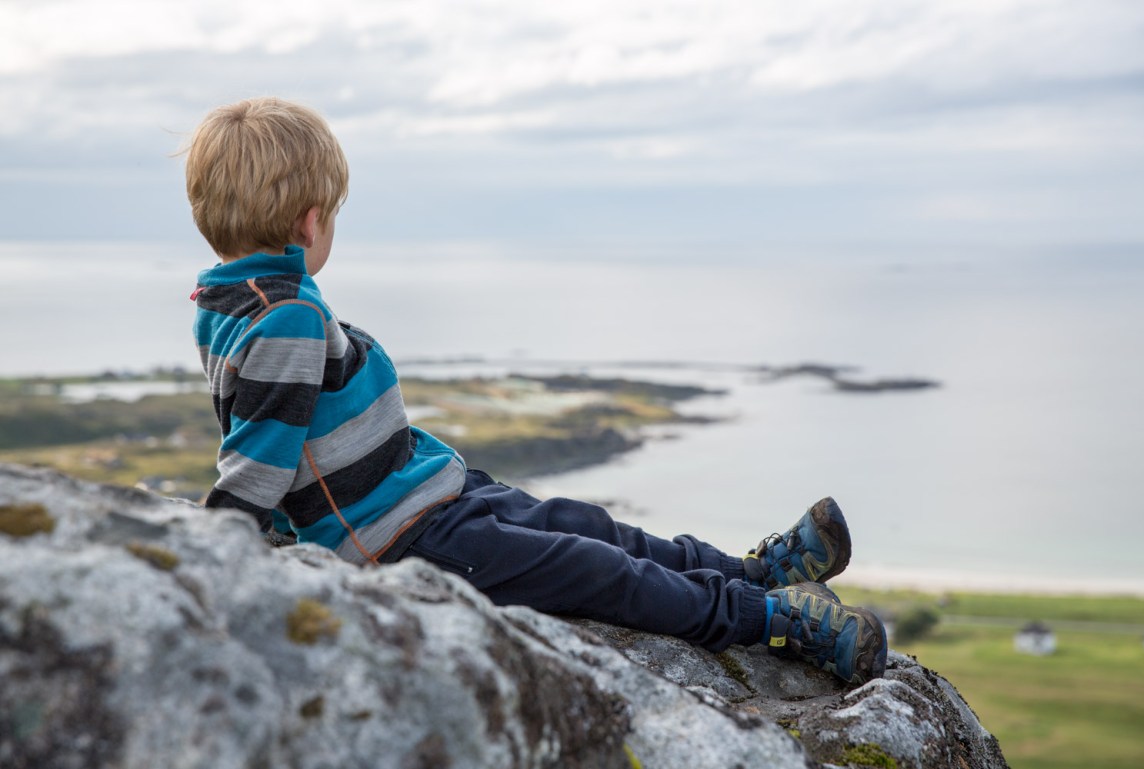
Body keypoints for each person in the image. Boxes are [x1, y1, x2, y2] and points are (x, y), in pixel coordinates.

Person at [184, 97, 888, 687]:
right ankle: (772, 620)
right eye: (333, 217)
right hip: (403, 541)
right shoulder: (286, 317)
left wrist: (284, 529)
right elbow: (258, 460)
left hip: (431, 496)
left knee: (595, 529)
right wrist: (211, 556)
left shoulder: (230, 302)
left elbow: (270, 425)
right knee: (604, 573)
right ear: (310, 221)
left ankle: (755, 572)